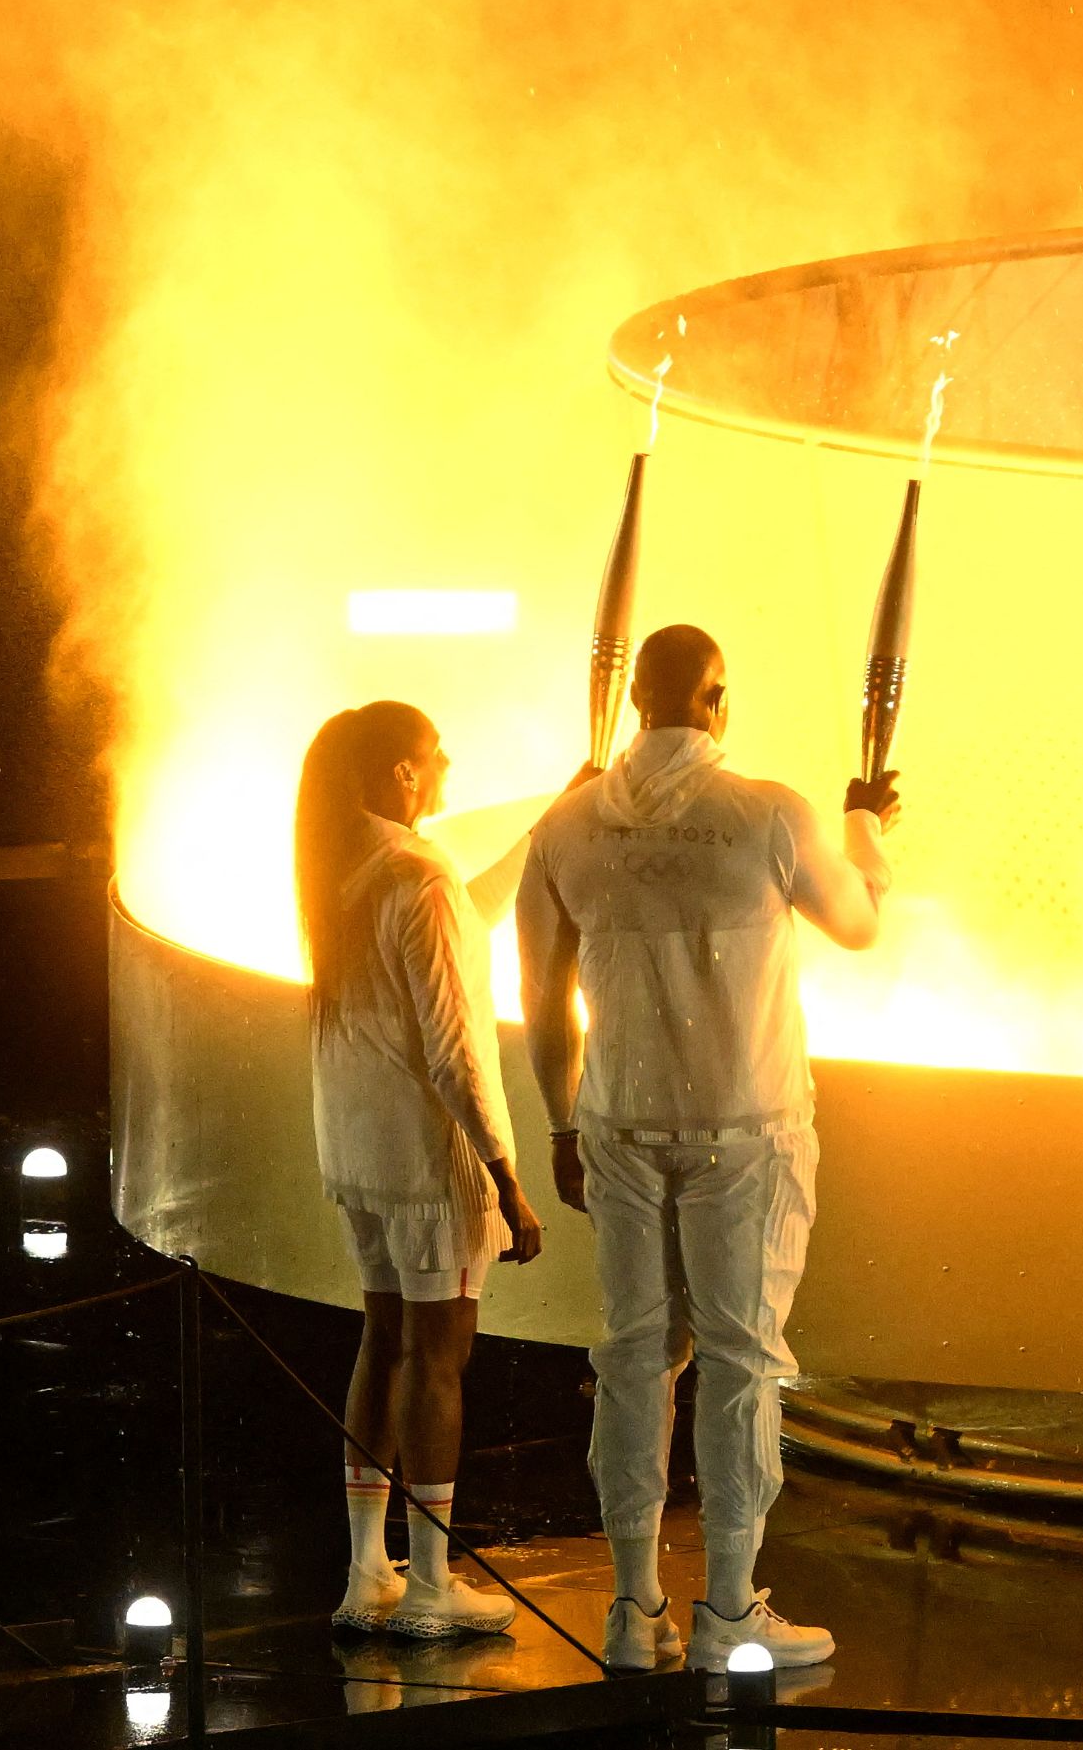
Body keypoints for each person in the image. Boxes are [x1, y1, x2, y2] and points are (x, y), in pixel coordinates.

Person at [518, 625, 897, 1675]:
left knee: (634, 1357)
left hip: (617, 1129)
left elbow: (540, 998)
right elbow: (859, 925)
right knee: (739, 1365)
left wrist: (559, 1121)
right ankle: (729, 1607)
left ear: (636, 699)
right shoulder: (771, 814)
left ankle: (632, 1609)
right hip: (748, 1132)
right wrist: (867, 832)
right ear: (717, 699)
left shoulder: (567, 827)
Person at [292, 700, 549, 1639]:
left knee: (383, 1340)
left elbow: (462, 912)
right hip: (426, 1156)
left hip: (355, 1152)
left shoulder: (342, 868)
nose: (447, 766)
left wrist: (547, 823)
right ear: (403, 771)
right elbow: (453, 1050)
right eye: (435, 755)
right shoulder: (416, 877)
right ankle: (435, 1581)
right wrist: (505, 1171)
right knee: (440, 1358)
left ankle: (370, 1570)